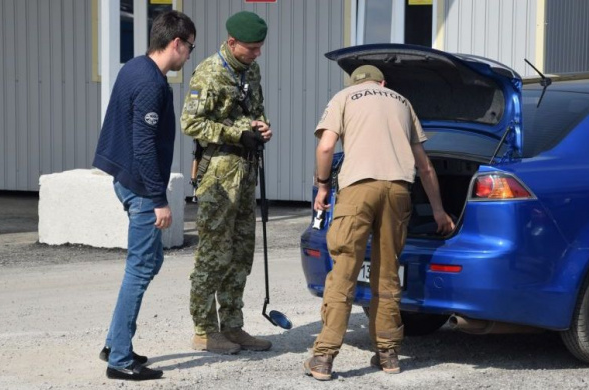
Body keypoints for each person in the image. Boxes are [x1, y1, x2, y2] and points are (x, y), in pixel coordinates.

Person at [303, 65, 455, 380]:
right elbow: (424, 167)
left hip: (358, 190)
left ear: (355, 82)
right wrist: (439, 211)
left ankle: (323, 358)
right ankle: (388, 355)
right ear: (382, 83)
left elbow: (326, 146)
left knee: (343, 272)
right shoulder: (402, 102)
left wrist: (322, 185)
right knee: (387, 273)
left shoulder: (344, 97)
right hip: (398, 190)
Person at [92, 10, 195, 381]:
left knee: (150, 262)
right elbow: (143, 145)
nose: (188, 57)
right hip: (140, 189)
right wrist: (159, 200)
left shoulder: (133, 67)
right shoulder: (152, 83)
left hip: (127, 180)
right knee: (139, 270)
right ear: (176, 43)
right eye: (190, 49)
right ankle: (119, 358)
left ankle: (114, 340)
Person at [181, 11, 273, 355]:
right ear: (231, 42)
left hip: (245, 172)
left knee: (240, 252)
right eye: (251, 48)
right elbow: (190, 123)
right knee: (213, 254)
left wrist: (262, 126)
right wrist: (237, 133)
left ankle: (232, 326)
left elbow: (257, 108)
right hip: (218, 175)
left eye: (259, 48)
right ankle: (205, 330)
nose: (256, 54)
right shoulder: (209, 73)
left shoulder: (250, 70)